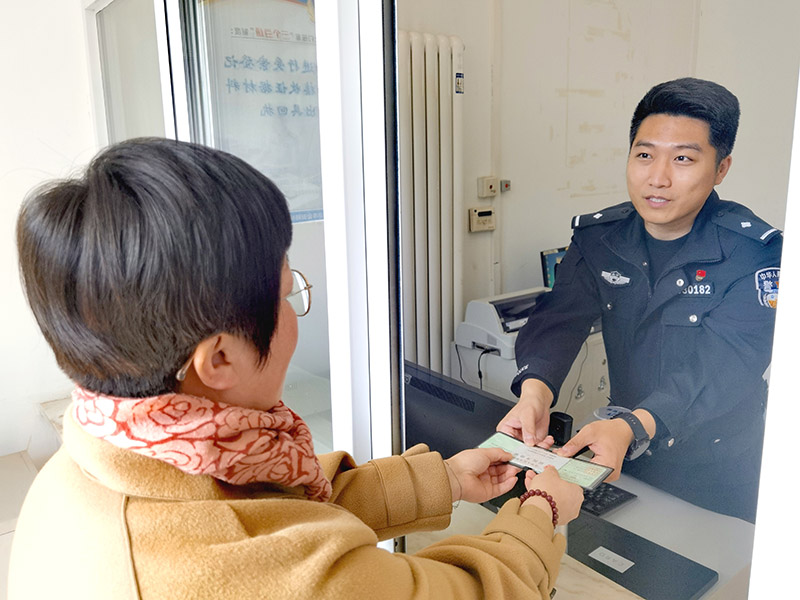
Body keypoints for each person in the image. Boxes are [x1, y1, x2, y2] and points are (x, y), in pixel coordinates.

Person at [9, 138, 584, 600]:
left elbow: (280, 515)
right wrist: (544, 512)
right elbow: (470, 592)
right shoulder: (256, 576)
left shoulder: (100, 454)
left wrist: (447, 479)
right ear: (219, 358)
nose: (295, 314)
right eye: (287, 294)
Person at [498, 77, 782, 522]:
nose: (658, 178)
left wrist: (633, 425)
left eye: (683, 159)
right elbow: (560, 319)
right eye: (644, 155)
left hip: (719, 467)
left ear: (721, 168)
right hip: (627, 451)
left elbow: (725, 364)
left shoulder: (755, 253)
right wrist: (535, 393)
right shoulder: (600, 236)